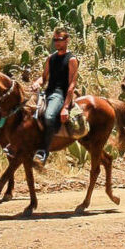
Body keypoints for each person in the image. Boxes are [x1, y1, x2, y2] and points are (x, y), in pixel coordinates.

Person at [31, 28, 79, 166]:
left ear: (67, 40)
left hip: (60, 94)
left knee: (49, 116)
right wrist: (37, 83)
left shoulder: (71, 60)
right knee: (25, 110)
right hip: (47, 92)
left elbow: (72, 85)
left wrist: (65, 107)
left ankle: (43, 152)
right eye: (55, 40)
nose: (57, 42)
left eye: (60, 40)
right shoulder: (51, 58)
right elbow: (44, 77)